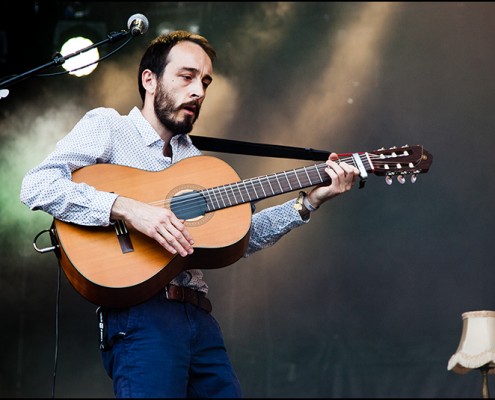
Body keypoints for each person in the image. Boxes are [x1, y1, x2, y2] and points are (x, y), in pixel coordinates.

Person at [20, 30, 360, 398]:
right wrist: (128, 209)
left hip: (200, 321)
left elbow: (239, 239)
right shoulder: (110, 127)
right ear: (149, 80)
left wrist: (309, 202)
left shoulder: (196, 163)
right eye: (187, 77)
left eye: (205, 82)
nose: (198, 91)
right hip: (141, 320)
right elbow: (37, 185)